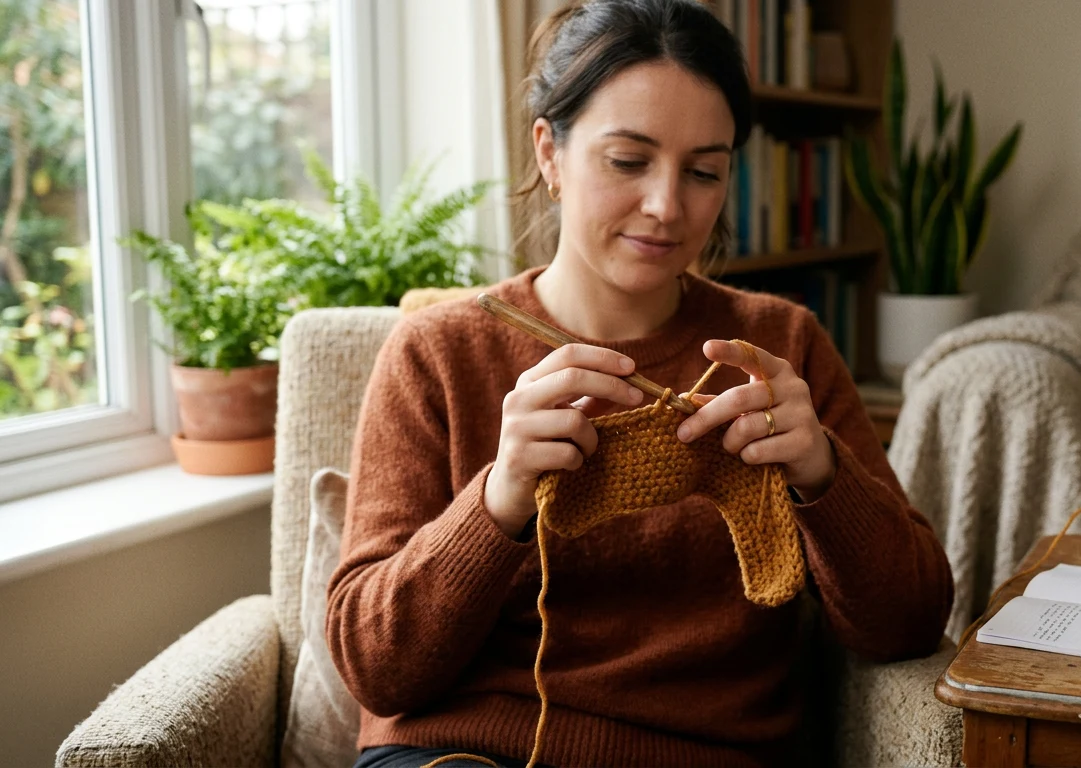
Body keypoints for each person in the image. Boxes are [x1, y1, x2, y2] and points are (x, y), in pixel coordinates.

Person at [328, 1, 954, 766]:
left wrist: (822, 474)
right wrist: (498, 502)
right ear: (550, 155)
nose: (666, 206)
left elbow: (910, 623)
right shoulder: (438, 353)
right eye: (628, 161)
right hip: (464, 753)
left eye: (703, 172)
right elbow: (375, 667)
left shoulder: (783, 347)